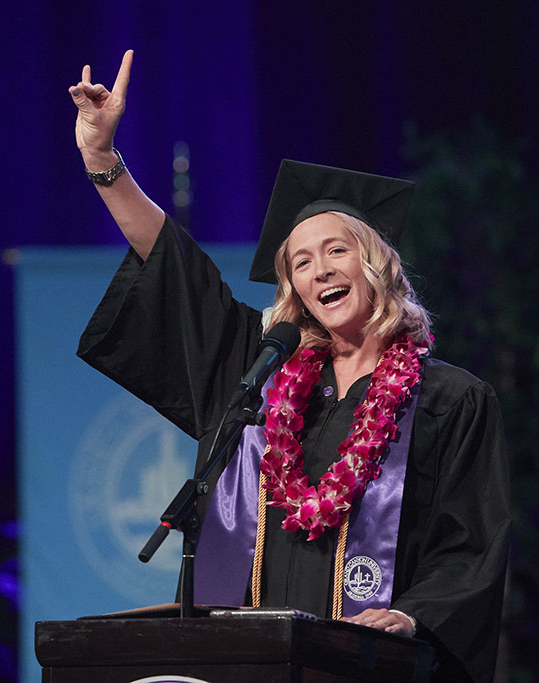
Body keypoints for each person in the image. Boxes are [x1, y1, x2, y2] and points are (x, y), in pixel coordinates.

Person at [69, 50, 510, 683]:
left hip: (370, 665)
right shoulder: (258, 376)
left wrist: (414, 616)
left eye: (337, 251)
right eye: (300, 261)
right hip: (249, 665)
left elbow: (471, 545)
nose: (319, 269)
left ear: (377, 269)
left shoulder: (450, 400)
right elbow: (177, 271)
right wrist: (102, 161)